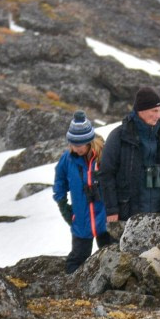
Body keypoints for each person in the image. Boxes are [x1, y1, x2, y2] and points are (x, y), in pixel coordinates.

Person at [99, 86, 160, 222]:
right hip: (129, 214)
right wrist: (111, 209)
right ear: (142, 111)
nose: (159, 116)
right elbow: (106, 174)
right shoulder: (119, 136)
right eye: (155, 111)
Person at [53, 111, 114, 273]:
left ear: (89, 142)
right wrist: (62, 205)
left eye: (79, 145)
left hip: (106, 218)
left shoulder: (105, 156)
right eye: (72, 144)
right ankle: (71, 294)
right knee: (77, 260)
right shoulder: (67, 159)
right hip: (81, 219)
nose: (75, 148)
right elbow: (59, 182)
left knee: (113, 257)